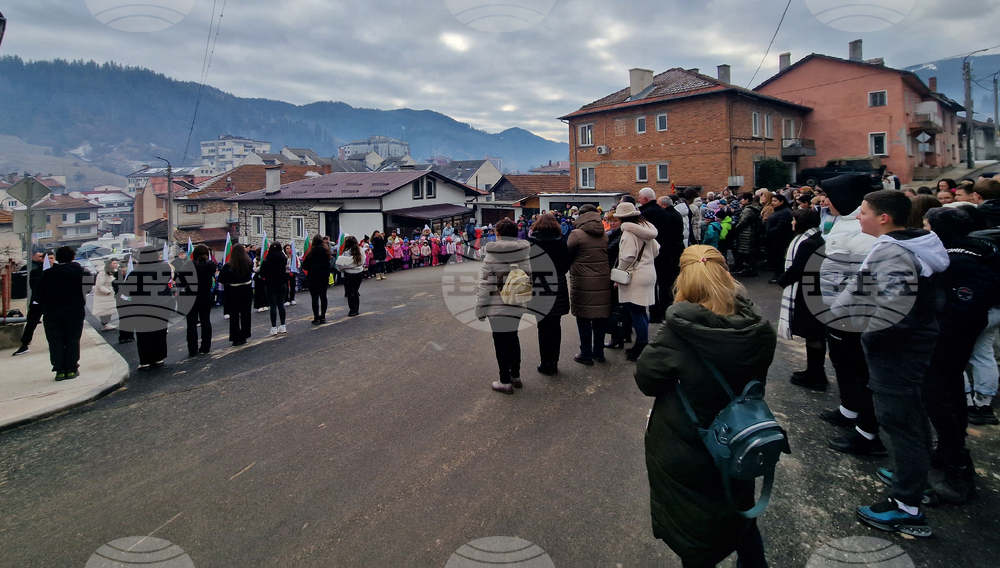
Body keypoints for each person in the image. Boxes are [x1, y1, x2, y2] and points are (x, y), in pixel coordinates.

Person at [635, 245, 776, 568]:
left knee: (693, 520)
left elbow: (647, 380)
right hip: (742, 434)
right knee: (738, 501)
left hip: (687, 439)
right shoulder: (758, 327)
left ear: (683, 280)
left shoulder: (677, 332)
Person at [835, 190, 949, 537]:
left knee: (901, 422)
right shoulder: (914, 244)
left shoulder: (894, 254)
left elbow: (892, 312)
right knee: (910, 416)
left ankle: (907, 507)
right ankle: (913, 477)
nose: (858, 217)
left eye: (864, 212)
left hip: (896, 353)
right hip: (909, 346)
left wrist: (869, 334)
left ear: (884, 218)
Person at [919, 207, 1000, 502]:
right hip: (951, 342)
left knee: (938, 398)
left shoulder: (962, 261)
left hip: (947, 342)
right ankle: (947, 453)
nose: (924, 232)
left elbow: (962, 309)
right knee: (950, 393)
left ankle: (959, 471)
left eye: (927, 227)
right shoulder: (966, 254)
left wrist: (934, 330)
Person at [475, 218, 531, 394]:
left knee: (501, 341)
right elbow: (528, 276)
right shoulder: (524, 253)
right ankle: (516, 376)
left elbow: (486, 284)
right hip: (516, 302)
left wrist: (480, 310)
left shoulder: (492, 255)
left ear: (497, 234)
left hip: (497, 304)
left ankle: (504, 380)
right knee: (513, 337)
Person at [776, 209, 827, 390]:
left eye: (794, 220)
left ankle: (816, 375)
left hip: (808, 293)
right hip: (812, 291)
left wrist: (782, 281)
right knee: (813, 334)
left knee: (814, 334)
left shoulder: (808, 243)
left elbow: (798, 269)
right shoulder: (815, 238)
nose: (792, 223)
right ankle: (812, 370)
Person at [33, 246, 90, 380]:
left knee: (55, 341)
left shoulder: (47, 274)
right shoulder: (82, 272)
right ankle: (71, 368)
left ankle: (59, 370)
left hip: (52, 313)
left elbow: (38, 295)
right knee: (73, 339)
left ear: (57, 259)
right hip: (75, 311)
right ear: (73, 257)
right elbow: (87, 289)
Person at [614, 201, 660, 362]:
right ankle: (642, 341)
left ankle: (641, 344)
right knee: (642, 310)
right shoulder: (647, 229)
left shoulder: (628, 232)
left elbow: (627, 256)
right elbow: (656, 250)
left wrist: (620, 271)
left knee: (636, 311)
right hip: (648, 271)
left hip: (635, 275)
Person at [567, 205, 612, 365]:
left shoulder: (576, 234)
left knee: (583, 317)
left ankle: (585, 353)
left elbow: (568, 255)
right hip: (603, 279)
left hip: (582, 280)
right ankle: (598, 352)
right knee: (600, 317)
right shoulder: (604, 235)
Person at [527, 213, 570, 375]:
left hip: (539, 285)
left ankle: (545, 362)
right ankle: (554, 362)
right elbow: (566, 265)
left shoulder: (532, 243)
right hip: (557, 285)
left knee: (543, 326)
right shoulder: (561, 242)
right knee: (555, 325)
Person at [637, 187, 684, 323]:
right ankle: (665, 310)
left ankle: (655, 312)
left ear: (645, 199)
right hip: (666, 252)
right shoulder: (664, 212)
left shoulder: (646, 213)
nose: (639, 200)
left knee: (652, 285)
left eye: (640, 198)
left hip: (652, 254)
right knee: (665, 284)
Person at [122, 245, 172, 369]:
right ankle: (158, 357)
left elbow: (127, 291)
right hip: (162, 304)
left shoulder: (136, 272)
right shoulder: (165, 266)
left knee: (144, 334)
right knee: (159, 332)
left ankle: (145, 360)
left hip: (142, 307)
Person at [12, 251, 53, 356]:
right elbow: (35, 287)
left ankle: (54, 343)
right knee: (31, 324)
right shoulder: (36, 272)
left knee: (52, 325)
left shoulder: (57, 271)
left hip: (52, 303)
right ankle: (24, 344)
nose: (50, 261)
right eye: (48, 258)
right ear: (43, 260)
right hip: (37, 302)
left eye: (52, 258)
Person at [179, 244, 216, 356]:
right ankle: (205, 346)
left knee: (191, 323)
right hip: (205, 295)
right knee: (205, 321)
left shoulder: (188, 265)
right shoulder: (211, 265)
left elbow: (181, 281)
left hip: (191, 296)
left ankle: (192, 349)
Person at [605, 210, 633, 349]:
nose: (612, 223)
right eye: (610, 221)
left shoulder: (621, 236)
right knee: (622, 306)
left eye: (615, 221)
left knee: (617, 307)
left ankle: (617, 337)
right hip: (617, 273)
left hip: (618, 274)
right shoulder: (612, 234)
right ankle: (623, 334)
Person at [217, 244, 254, 345]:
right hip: (246, 289)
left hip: (233, 291)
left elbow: (221, 280)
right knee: (246, 313)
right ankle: (244, 335)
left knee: (234, 315)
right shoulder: (249, 262)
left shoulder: (228, 265)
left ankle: (235, 337)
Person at [301, 235, 332, 324]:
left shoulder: (311, 253)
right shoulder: (326, 252)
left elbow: (305, 266)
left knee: (314, 298)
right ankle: (323, 316)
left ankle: (316, 317)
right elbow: (329, 264)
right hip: (324, 276)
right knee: (323, 296)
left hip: (313, 277)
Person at [259, 242, 288, 335]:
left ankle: (274, 327)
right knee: (281, 304)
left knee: (273, 305)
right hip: (281, 283)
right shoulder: (283, 259)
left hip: (270, 284)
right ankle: (283, 325)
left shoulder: (266, 261)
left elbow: (262, 274)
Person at [732, 193, 763, 276]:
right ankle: (751, 269)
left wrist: (736, 228)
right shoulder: (752, 208)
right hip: (751, 233)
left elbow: (743, 222)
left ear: (747, 200)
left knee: (746, 253)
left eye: (743, 199)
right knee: (750, 253)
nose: (741, 201)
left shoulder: (747, 210)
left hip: (746, 234)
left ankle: (749, 270)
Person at [764, 193, 794, 281]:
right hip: (776, 239)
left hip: (781, 240)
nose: (773, 203)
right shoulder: (779, 211)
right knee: (777, 258)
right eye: (772, 201)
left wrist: (770, 232)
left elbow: (782, 227)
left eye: (775, 201)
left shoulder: (785, 212)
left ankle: (779, 276)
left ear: (782, 202)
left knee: (780, 259)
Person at [336, 235, 365, 317]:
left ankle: (352, 310)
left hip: (349, 273)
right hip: (358, 272)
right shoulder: (360, 250)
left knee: (350, 292)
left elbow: (341, 263)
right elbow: (363, 260)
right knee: (355, 291)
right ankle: (357, 309)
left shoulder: (346, 252)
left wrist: (341, 269)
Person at [92, 258, 119, 331]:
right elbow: (99, 285)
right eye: (114, 263)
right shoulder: (102, 273)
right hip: (104, 295)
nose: (116, 265)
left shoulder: (115, 272)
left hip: (111, 294)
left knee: (109, 310)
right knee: (104, 310)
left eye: (116, 263)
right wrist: (108, 291)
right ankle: (105, 324)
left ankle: (107, 323)